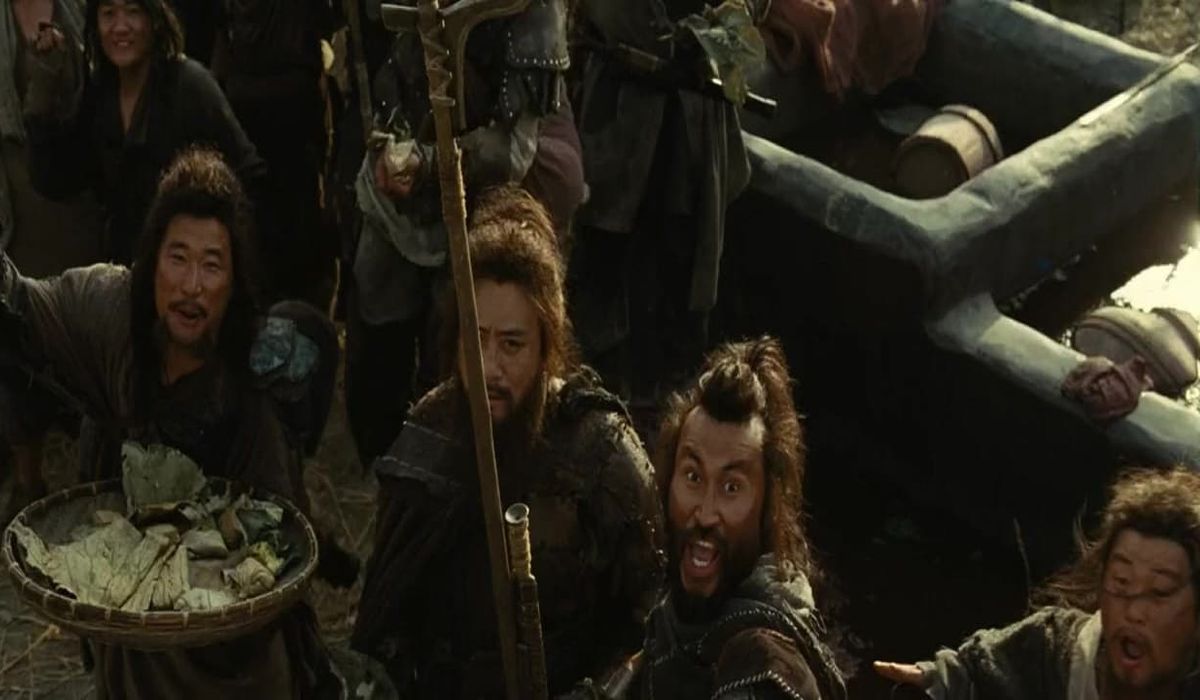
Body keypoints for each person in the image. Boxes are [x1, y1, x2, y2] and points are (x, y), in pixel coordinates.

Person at [0, 148, 343, 698]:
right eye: (177, 258)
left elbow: (273, 549)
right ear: (152, 262)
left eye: (212, 265)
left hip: (226, 661)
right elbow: (21, 308)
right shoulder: (112, 315)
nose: (191, 285)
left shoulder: (249, 395)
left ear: (233, 282)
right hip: (129, 640)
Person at [351, 185, 662, 697]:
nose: (489, 368)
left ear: (545, 347)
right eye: (476, 339)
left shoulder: (601, 453)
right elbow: (388, 617)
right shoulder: (429, 434)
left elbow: (652, 619)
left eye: (512, 344)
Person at [344, 0, 584, 465]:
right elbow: (386, 73)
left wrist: (430, 162)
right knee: (375, 342)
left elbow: (512, 150)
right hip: (398, 200)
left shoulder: (530, 10)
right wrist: (388, 145)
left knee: (461, 348)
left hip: (479, 200)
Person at [568, 0, 770, 410]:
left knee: (681, 293)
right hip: (617, 120)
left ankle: (668, 412)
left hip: (694, 124)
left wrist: (720, 25)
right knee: (604, 284)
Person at [631, 336, 847, 699]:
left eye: (732, 487)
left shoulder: (764, 664)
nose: (705, 513)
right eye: (693, 477)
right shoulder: (674, 617)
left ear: (767, 506)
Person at [875, 466, 1200, 700]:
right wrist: (935, 684)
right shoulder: (1052, 651)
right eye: (1121, 582)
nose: (1133, 611)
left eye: (1159, 592)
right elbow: (976, 672)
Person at [22, 0, 266, 265]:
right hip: (125, 271)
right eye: (108, 14)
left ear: (154, 19)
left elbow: (249, 177)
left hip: (187, 271)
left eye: (133, 12)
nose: (120, 27)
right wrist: (45, 86)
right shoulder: (100, 95)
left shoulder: (190, 86)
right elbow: (57, 181)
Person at [0, 0, 102, 523]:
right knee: (15, 334)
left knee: (82, 328)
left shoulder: (81, 9)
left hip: (75, 199)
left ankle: (94, 477)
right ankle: (27, 482)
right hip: (12, 198)